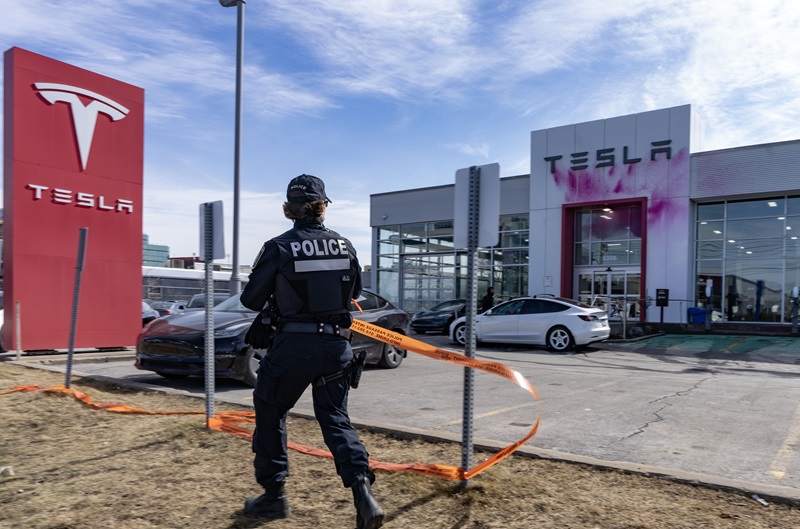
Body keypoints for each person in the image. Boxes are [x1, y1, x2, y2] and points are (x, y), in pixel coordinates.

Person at [240, 174, 384, 529]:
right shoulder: (345, 246)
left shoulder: (278, 246)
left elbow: (250, 299)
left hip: (294, 347)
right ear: (322, 206)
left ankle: (274, 497)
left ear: (289, 208)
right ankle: (363, 493)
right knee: (335, 418)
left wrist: (276, 302)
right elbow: (355, 293)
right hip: (336, 346)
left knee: (271, 410)